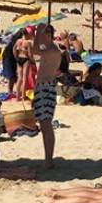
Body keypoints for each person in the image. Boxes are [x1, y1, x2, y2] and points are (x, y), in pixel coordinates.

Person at [32, 24, 59, 169]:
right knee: (44, 124)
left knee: (46, 125)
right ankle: (48, 158)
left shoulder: (52, 51)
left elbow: (35, 50)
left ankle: (49, 159)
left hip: (46, 88)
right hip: (43, 88)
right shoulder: (49, 49)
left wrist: (37, 33)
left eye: (45, 33)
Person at [13, 27, 34, 101]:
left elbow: (14, 49)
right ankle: (23, 96)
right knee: (24, 78)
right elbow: (30, 54)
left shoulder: (18, 41)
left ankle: (17, 96)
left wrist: (16, 57)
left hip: (19, 58)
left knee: (19, 78)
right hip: (25, 59)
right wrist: (33, 61)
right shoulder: (27, 42)